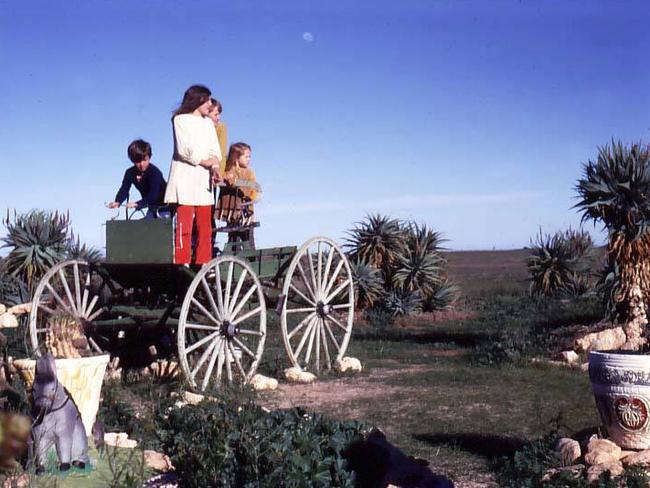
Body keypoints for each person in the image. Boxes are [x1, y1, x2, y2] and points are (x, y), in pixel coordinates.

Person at [164, 85, 222, 265]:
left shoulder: (208, 123)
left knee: (205, 228)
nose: (211, 104)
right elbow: (184, 150)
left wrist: (215, 167)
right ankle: (183, 263)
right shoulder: (180, 120)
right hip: (185, 179)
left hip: (203, 182)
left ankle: (203, 263)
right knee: (185, 227)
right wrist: (206, 162)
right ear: (199, 100)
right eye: (208, 100)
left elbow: (216, 152)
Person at [107, 139, 167, 219]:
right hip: (152, 208)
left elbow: (153, 195)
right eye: (138, 161)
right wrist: (118, 202)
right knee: (143, 227)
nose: (142, 164)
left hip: (165, 207)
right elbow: (124, 190)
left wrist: (138, 204)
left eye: (145, 160)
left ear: (150, 157)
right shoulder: (129, 173)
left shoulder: (155, 173)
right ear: (132, 160)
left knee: (159, 227)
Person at [215, 142, 258, 246]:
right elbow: (222, 180)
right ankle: (233, 255)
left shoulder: (249, 173)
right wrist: (228, 178)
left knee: (248, 237)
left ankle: (250, 259)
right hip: (232, 211)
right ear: (236, 157)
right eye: (246, 157)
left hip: (246, 212)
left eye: (249, 157)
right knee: (233, 237)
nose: (249, 159)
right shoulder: (229, 171)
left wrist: (250, 197)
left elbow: (254, 188)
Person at [208, 98, 228, 175]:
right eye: (216, 114)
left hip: (215, 171)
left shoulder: (221, 128)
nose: (218, 118)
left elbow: (222, 152)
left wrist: (220, 173)